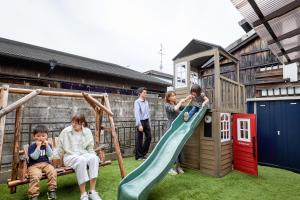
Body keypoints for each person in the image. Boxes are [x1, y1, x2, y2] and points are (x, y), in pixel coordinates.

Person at [57, 113, 101, 200]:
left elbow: (90, 148)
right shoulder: (66, 131)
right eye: (73, 122)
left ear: (82, 123)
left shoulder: (87, 132)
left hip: (83, 154)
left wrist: (93, 156)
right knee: (81, 160)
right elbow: (60, 147)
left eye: (77, 123)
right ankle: (83, 194)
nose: (74, 124)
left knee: (94, 158)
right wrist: (54, 158)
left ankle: (92, 191)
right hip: (70, 156)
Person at [27, 125, 57, 200]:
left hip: (46, 164)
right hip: (34, 165)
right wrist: (38, 147)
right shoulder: (32, 146)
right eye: (38, 136)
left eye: (43, 136)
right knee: (35, 176)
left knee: (52, 172)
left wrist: (47, 146)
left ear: (46, 137)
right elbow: (34, 157)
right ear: (34, 136)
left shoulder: (48, 145)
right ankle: (33, 195)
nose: (41, 138)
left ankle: (51, 190)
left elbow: (50, 154)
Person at [165, 91, 190, 175]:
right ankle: (170, 168)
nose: (174, 97)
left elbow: (186, 107)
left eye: (175, 95)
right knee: (172, 148)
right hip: (171, 128)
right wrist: (180, 101)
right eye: (172, 96)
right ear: (168, 98)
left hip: (178, 128)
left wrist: (188, 99)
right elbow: (175, 109)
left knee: (179, 147)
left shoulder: (177, 105)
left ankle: (178, 166)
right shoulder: (167, 105)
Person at [134, 87, 152, 160]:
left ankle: (143, 153)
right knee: (139, 139)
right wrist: (139, 124)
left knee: (149, 137)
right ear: (140, 93)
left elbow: (148, 113)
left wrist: (149, 123)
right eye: (144, 92)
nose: (145, 94)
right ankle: (138, 156)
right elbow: (137, 114)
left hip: (146, 121)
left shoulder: (146, 102)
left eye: (146, 92)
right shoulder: (137, 102)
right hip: (140, 121)